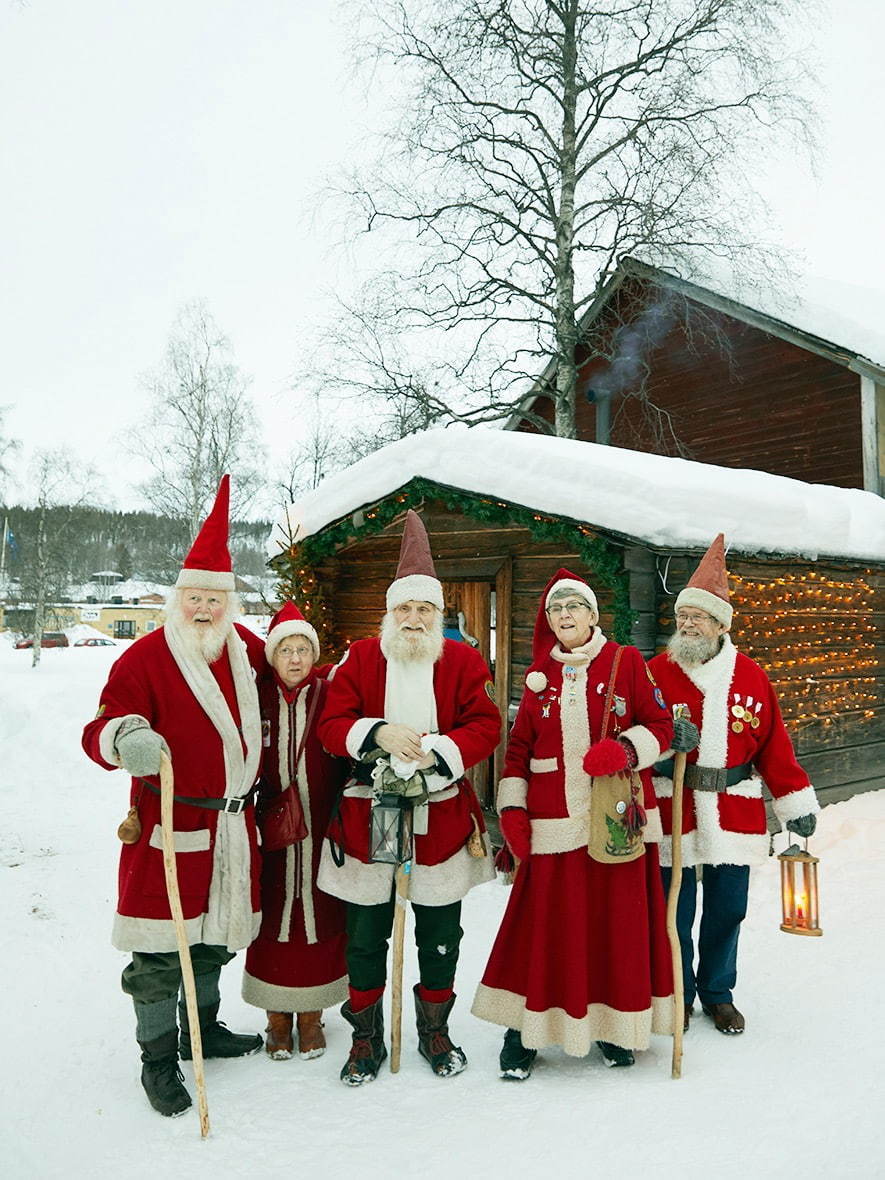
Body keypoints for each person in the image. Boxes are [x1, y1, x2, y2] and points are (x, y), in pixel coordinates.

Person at [82, 477, 265, 1118]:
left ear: (230, 603)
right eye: (194, 598)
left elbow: (297, 684)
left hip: (234, 831)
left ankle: (202, 1031)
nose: (205, 610)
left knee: (213, 940)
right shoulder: (145, 658)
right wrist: (124, 735)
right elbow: (100, 726)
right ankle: (157, 1061)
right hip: (169, 828)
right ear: (176, 599)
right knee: (160, 953)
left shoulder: (249, 654)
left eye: (216, 599)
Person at [317, 510, 501, 1085]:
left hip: (441, 817)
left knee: (440, 932)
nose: (415, 619)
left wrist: (442, 748)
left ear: (438, 613)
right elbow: (330, 724)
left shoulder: (464, 660)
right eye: (405, 609)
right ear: (389, 613)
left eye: (425, 609)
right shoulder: (362, 659)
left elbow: (487, 724)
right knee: (367, 933)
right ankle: (366, 1037)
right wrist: (375, 733)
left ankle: (434, 1030)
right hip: (367, 815)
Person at [472, 568, 675, 1079]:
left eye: (573, 606)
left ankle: (614, 1027)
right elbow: (517, 749)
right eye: (556, 608)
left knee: (616, 929)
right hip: (553, 824)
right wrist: (513, 809)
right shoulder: (538, 676)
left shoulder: (626, 662)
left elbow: (662, 726)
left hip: (616, 823)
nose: (565, 615)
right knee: (541, 930)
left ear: (592, 615)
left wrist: (625, 749)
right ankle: (524, 1032)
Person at [649, 534, 820, 1036]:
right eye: (682, 616)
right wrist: (659, 750)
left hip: (733, 808)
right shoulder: (654, 673)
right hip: (672, 804)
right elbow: (628, 734)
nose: (686, 624)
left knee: (728, 910)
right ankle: (675, 990)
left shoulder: (751, 677)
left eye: (697, 617)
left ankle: (717, 992)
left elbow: (774, 747)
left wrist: (794, 804)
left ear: (721, 624)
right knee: (672, 913)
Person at [241, 602, 349, 1060]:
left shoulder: (329, 693)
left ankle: (311, 1016)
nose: (296, 658)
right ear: (273, 655)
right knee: (270, 913)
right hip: (269, 827)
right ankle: (275, 1020)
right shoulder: (255, 696)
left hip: (322, 823)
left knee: (320, 912)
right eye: (286, 649)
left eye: (304, 649)